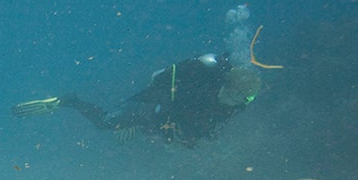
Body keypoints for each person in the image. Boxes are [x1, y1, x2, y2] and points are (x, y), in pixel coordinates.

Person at [13, 53, 261, 147]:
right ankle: (70, 101)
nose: (237, 103)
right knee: (107, 122)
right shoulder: (201, 89)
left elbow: (203, 126)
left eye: (245, 100)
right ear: (228, 86)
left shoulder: (233, 105)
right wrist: (149, 121)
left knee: (126, 135)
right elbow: (169, 104)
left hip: (156, 121)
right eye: (237, 95)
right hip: (149, 106)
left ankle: (133, 125)